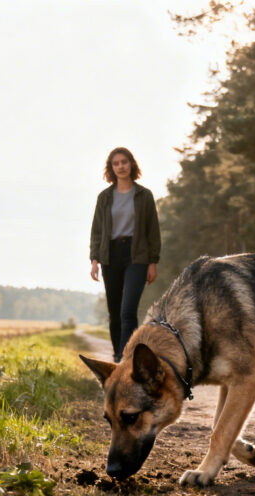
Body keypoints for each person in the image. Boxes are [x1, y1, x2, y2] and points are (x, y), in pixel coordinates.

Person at [90, 147, 161, 363]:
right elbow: (97, 231)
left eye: (124, 162)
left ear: (131, 164)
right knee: (115, 311)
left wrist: (153, 262)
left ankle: (126, 356)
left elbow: (152, 231)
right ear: (111, 168)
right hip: (110, 256)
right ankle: (117, 353)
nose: (120, 166)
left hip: (136, 255)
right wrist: (94, 260)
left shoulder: (144, 196)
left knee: (128, 310)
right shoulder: (104, 197)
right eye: (116, 163)